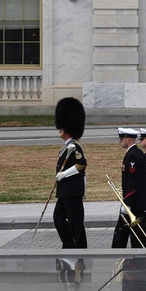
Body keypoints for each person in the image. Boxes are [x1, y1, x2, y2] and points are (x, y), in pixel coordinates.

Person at [53, 97, 88, 249]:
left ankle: (79, 247)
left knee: (75, 221)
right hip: (65, 191)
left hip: (72, 190)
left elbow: (81, 164)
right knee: (58, 218)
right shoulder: (67, 146)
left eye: (61, 127)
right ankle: (68, 244)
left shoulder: (74, 146)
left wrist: (64, 174)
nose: (59, 130)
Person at [112, 128, 146, 248]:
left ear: (128, 139)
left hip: (133, 204)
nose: (120, 142)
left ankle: (117, 255)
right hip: (136, 202)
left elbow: (133, 182)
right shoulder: (136, 153)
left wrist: (127, 203)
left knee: (121, 234)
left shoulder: (132, 156)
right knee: (135, 235)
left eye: (121, 139)